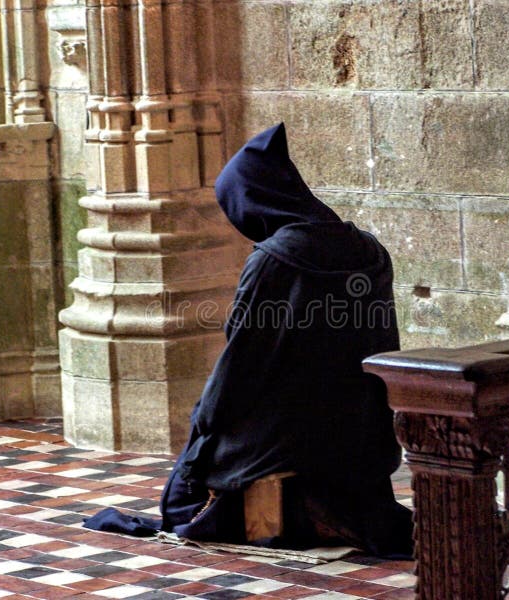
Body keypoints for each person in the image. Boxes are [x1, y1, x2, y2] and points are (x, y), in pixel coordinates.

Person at [158, 123, 413, 558]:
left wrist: (206, 416)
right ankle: (324, 511)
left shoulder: (274, 259)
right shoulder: (368, 249)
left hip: (290, 433)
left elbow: (243, 359)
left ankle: (285, 518)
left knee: (180, 499)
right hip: (362, 429)